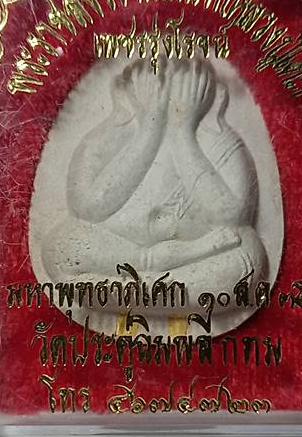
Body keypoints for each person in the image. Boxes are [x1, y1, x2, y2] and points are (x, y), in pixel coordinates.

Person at [42, 58, 266, 284]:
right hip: (120, 254)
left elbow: (232, 215)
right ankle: (150, 271)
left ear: (210, 93)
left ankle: (139, 287)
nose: (169, 97)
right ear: (126, 91)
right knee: (61, 246)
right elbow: (88, 206)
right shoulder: (113, 135)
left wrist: (182, 132)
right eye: (155, 86)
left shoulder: (218, 140)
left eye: (184, 88)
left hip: (197, 257)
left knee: (247, 253)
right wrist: (149, 128)